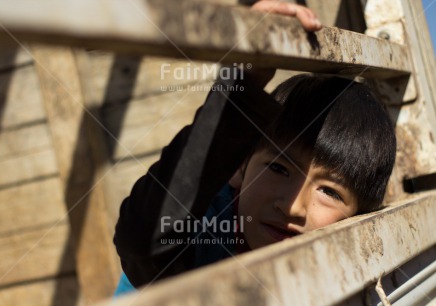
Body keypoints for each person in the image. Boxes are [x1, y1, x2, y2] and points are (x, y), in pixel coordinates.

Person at [113, 0, 396, 295]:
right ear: (239, 169)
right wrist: (244, 87)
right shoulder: (204, 235)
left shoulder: (339, 269)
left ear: (359, 216)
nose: (293, 207)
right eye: (278, 168)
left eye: (329, 191)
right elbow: (140, 241)